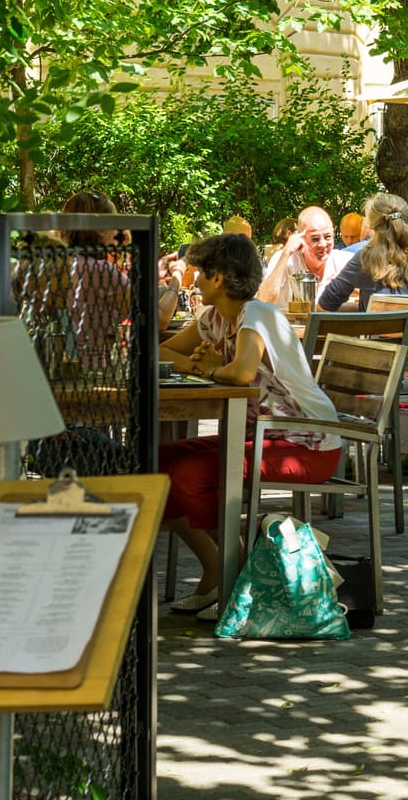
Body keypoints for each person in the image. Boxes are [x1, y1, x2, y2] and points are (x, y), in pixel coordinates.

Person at [156, 233, 342, 615]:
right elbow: (162, 351)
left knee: (190, 475)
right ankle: (218, 571)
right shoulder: (213, 318)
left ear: (219, 278)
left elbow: (240, 374)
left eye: (199, 273)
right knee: (155, 464)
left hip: (307, 444)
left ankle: (236, 575)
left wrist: (208, 367)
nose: (194, 281)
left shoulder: (257, 314)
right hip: (258, 437)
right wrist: (196, 365)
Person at [315, 193, 408, 312]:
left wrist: (363, 308)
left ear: (372, 228)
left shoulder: (365, 258)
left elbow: (324, 306)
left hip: (375, 331)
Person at [58, 190, 130, 371]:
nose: (118, 230)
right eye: (115, 222)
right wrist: (177, 277)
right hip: (93, 371)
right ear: (101, 228)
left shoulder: (63, 264)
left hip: (60, 367)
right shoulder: (100, 270)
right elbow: (153, 315)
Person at [256, 206, 356, 307]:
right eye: (315, 239)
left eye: (327, 237)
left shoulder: (346, 262)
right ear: (300, 239)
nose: (323, 244)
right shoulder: (285, 260)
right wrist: (286, 253)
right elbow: (262, 303)